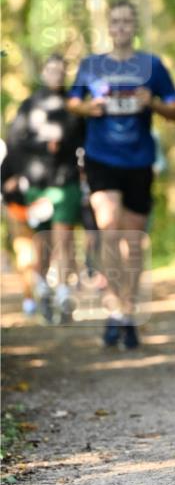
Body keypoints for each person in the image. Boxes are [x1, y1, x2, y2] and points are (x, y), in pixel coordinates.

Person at [68, 0, 175, 348]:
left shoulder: (152, 65)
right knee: (108, 225)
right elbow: (72, 103)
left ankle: (127, 310)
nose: (120, 28)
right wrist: (91, 107)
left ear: (134, 27)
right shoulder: (91, 66)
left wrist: (154, 103)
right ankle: (113, 305)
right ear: (108, 27)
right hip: (102, 158)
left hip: (139, 160)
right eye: (114, 22)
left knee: (132, 241)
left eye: (126, 22)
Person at [2, 54, 84, 321]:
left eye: (61, 70)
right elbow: (14, 143)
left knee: (64, 238)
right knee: (42, 245)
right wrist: (8, 178)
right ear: (43, 73)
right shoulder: (29, 106)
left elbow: (86, 140)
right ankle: (41, 288)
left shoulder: (74, 104)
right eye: (51, 70)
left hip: (66, 180)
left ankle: (62, 292)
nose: (56, 75)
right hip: (37, 185)